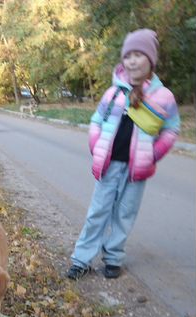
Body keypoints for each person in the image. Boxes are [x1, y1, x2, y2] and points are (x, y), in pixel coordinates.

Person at [67, 29, 180, 280]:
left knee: (125, 214)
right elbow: (96, 120)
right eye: (128, 55)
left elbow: (172, 129)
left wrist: (153, 154)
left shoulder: (163, 96)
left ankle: (113, 257)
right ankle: (82, 259)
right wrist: (96, 145)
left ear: (151, 60)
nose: (132, 61)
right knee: (98, 212)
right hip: (109, 166)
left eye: (139, 55)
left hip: (136, 170)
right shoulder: (114, 92)